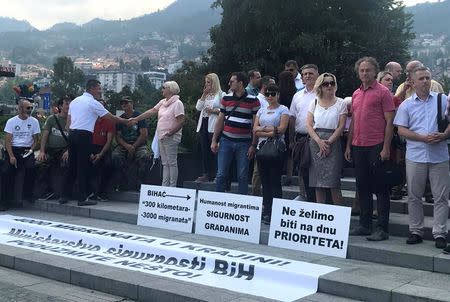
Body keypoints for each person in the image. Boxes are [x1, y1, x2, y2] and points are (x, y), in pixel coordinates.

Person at [394, 66, 450, 249]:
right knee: (414, 195)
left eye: (428, 78)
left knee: (441, 196)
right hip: (416, 155)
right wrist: (422, 138)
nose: (426, 81)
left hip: (439, 154)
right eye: (422, 79)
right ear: (413, 82)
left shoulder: (442, 101)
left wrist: (444, 135)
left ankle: (440, 232)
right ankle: (416, 230)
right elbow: (401, 129)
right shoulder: (406, 105)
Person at [345, 57, 395, 241]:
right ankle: (365, 225)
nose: (364, 73)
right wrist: (349, 145)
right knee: (362, 186)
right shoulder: (356, 94)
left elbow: (390, 121)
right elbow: (354, 122)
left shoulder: (383, 92)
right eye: (361, 70)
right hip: (358, 146)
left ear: (375, 72)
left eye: (368, 70)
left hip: (377, 145)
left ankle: (382, 228)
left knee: (381, 188)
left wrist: (386, 147)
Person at [62, 79, 129, 206]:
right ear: (91, 88)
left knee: (71, 166)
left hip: (72, 134)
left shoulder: (75, 101)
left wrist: (71, 134)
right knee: (83, 167)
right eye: (99, 89)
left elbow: (68, 123)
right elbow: (112, 118)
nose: (100, 91)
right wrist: (127, 121)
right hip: (84, 135)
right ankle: (82, 198)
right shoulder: (93, 103)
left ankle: (64, 195)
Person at [211, 72, 260, 195]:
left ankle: (241, 203)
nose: (229, 83)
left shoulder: (253, 101)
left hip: (244, 142)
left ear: (240, 83)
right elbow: (220, 120)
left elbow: (255, 125)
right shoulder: (226, 98)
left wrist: (253, 145)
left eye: (232, 81)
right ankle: (216, 202)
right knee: (221, 174)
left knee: (242, 176)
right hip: (226, 140)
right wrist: (214, 140)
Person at [130, 81, 185, 187]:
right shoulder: (163, 102)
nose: (162, 90)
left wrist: (171, 132)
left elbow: (181, 121)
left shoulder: (178, 103)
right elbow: (151, 111)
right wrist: (136, 118)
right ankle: (165, 186)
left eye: (164, 88)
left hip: (171, 137)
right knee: (165, 163)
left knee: (172, 163)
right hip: (161, 136)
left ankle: (172, 187)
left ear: (170, 89)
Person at [306, 73, 347, 205]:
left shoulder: (341, 103)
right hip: (316, 141)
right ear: (320, 86)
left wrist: (328, 142)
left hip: (333, 142)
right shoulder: (315, 101)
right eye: (326, 83)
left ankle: (338, 217)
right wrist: (319, 141)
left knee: (334, 183)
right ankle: (320, 216)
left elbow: (341, 126)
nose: (329, 86)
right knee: (318, 183)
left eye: (332, 83)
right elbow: (308, 124)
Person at [253, 84, 290, 224]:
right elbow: (255, 129)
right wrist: (270, 130)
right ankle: (267, 209)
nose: (270, 96)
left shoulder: (283, 109)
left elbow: (281, 130)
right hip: (261, 147)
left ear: (278, 95)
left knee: (275, 181)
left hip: (276, 149)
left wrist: (263, 130)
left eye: (273, 94)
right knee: (264, 181)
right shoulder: (261, 110)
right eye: (267, 94)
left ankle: (275, 211)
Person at [289, 64, 319, 202]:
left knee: (318, 174)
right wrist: (291, 140)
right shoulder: (297, 96)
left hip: (318, 138)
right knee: (303, 172)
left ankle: (318, 203)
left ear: (317, 75)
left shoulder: (323, 94)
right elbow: (292, 118)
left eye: (310, 73)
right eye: (305, 74)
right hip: (301, 138)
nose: (307, 76)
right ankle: (306, 199)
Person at [3, 99, 40, 208]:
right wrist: (11, 156)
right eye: (27, 108)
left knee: (31, 168)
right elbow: (8, 141)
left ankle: (28, 195)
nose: (30, 110)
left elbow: (36, 140)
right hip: (14, 149)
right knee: (6, 171)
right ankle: (5, 201)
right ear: (20, 109)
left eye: (31, 108)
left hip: (27, 150)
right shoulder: (11, 122)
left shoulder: (34, 121)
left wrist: (31, 150)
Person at [112, 96, 151, 189]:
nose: (124, 105)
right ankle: (122, 181)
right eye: (122, 103)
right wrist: (127, 146)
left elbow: (144, 134)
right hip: (124, 145)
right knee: (115, 156)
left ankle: (141, 182)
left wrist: (133, 147)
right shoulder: (120, 119)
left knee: (144, 155)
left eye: (126, 102)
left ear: (132, 103)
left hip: (139, 144)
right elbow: (118, 136)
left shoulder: (139, 116)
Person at [36, 96, 71, 200]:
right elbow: (44, 136)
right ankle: (44, 191)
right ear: (60, 106)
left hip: (64, 150)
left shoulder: (73, 120)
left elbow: (74, 139)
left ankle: (64, 193)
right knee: (40, 164)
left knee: (66, 165)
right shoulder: (52, 119)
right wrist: (41, 151)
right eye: (67, 104)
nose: (69, 107)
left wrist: (69, 151)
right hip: (50, 149)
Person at [377, 71, 405, 201]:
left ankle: (382, 205)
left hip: (390, 139)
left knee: (386, 172)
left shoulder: (396, 99)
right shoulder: (375, 96)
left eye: (391, 80)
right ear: (379, 81)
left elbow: (398, 119)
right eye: (386, 79)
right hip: (374, 138)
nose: (389, 82)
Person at [195, 73, 224, 182]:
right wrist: (203, 95)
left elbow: (224, 110)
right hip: (203, 123)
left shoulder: (221, 94)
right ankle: (206, 173)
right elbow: (198, 107)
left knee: (215, 149)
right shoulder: (206, 95)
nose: (206, 84)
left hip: (214, 124)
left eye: (208, 82)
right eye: (205, 82)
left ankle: (218, 174)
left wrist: (213, 111)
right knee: (205, 149)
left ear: (214, 83)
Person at [251, 75, 275, 196]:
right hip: (261, 141)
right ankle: (255, 196)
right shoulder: (258, 100)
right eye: (272, 85)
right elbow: (255, 125)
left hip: (273, 142)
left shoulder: (274, 100)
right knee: (257, 171)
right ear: (265, 86)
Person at [89, 98, 115, 201]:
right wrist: (89, 152)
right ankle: (90, 192)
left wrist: (100, 154)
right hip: (90, 147)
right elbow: (86, 137)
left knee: (108, 165)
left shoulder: (109, 121)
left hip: (103, 148)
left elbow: (109, 141)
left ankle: (102, 192)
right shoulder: (89, 119)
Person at [278, 70, 297, 186]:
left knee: (280, 150)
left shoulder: (279, 93)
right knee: (290, 152)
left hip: (281, 123)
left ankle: (279, 173)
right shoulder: (295, 93)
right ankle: (289, 175)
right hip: (292, 122)